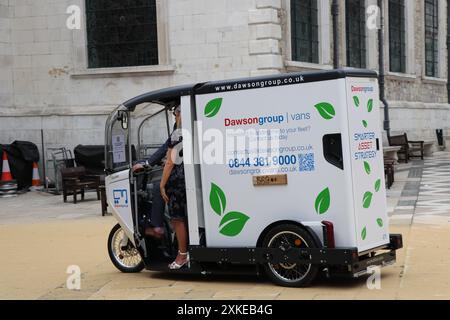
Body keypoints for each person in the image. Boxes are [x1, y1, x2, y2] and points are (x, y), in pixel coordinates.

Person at [132, 121, 175, 239]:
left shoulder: (181, 126)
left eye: (175, 113)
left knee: (158, 186)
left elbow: (166, 146)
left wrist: (147, 163)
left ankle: (157, 226)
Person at [160, 105, 189, 269]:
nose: (174, 116)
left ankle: (182, 255)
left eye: (175, 113)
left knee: (177, 219)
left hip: (177, 181)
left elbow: (170, 162)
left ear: (179, 114)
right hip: (189, 179)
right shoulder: (194, 130)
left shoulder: (178, 133)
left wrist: (162, 184)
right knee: (186, 217)